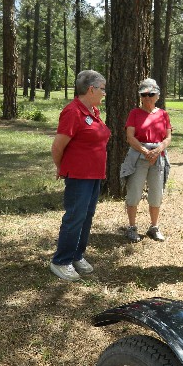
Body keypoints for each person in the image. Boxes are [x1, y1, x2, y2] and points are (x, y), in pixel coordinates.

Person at [50, 70, 111, 281]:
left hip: (94, 175)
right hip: (79, 175)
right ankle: (61, 260)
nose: (104, 93)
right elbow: (57, 146)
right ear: (91, 89)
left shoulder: (93, 111)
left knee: (87, 216)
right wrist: (62, 167)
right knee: (75, 217)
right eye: (102, 89)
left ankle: (77, 255)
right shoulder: (72, 111)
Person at [120, 78, 172, 243]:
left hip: (157, 158)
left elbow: (168, 137)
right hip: (138, 157)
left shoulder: (163, 114)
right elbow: (130, 137)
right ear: (140, 96)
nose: (148, 97)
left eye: (151, 94)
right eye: (144, 94)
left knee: (156, 194)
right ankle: (132, 227)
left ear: (157, 95)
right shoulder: (134, 113)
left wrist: (158, 149)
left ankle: (154, 227)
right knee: (134, 193)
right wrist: (144, 150)